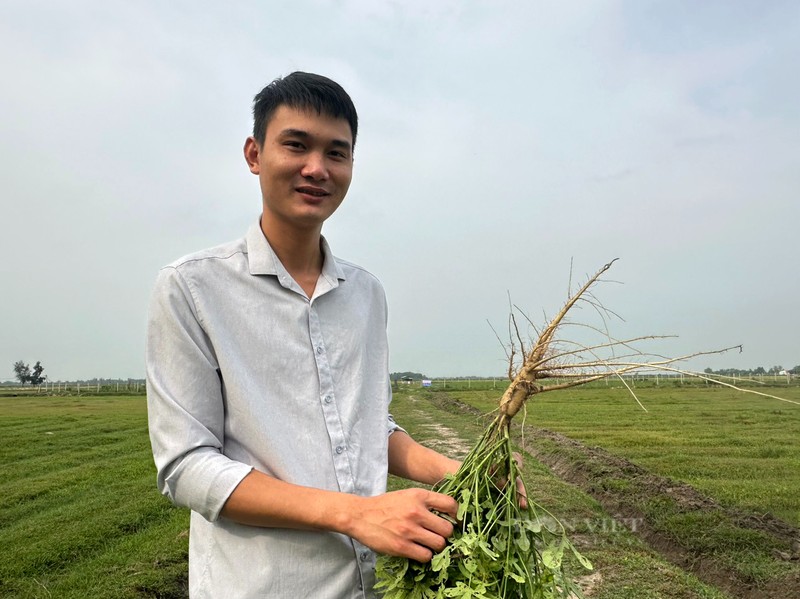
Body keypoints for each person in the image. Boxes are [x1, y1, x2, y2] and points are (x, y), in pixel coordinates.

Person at [145, 72, 461, 599]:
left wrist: (453, 471)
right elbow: (187, 467)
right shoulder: (191, 288)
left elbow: (364, 425)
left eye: (337, 153)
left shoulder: (366, 294)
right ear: (254, 153)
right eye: (296, 145)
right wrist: (357, 514)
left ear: (352, 166)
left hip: (367, 584)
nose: (317, 168)